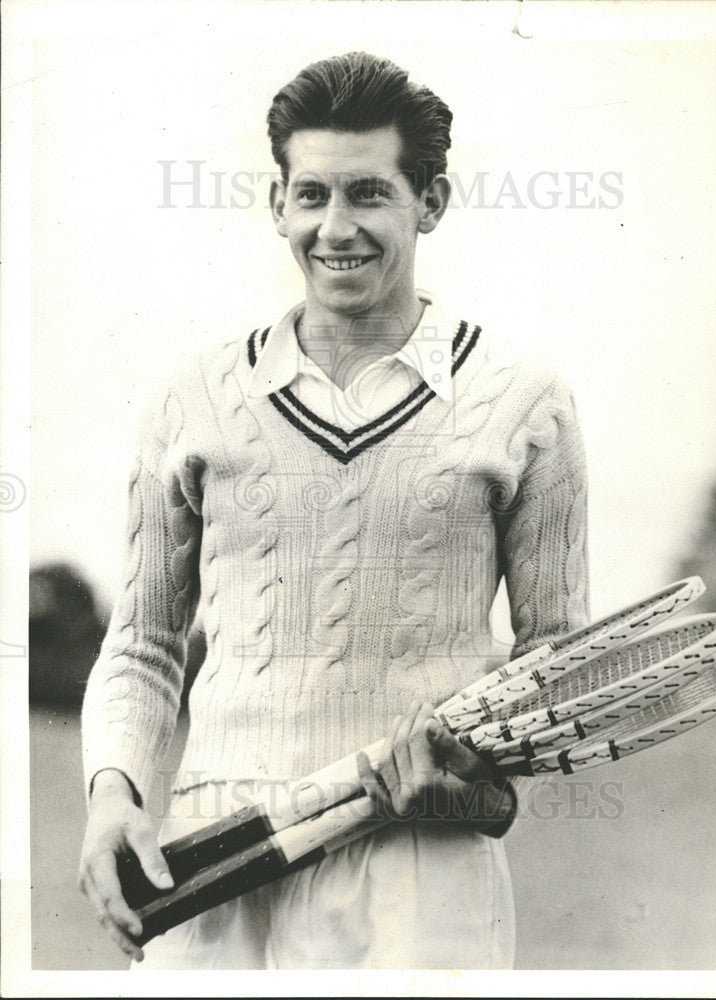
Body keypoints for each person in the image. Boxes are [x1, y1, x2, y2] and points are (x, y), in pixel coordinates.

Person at [78, 51, 590, 970]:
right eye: (310, 195)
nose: (335, 227)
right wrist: (113, 795)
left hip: (418, 872)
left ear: (429, 202)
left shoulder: (527, 401)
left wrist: (473, 788)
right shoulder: (192, 396)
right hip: (212, 859)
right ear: (278, 204)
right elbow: (146, 640)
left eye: (368, 194)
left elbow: (552, 662)